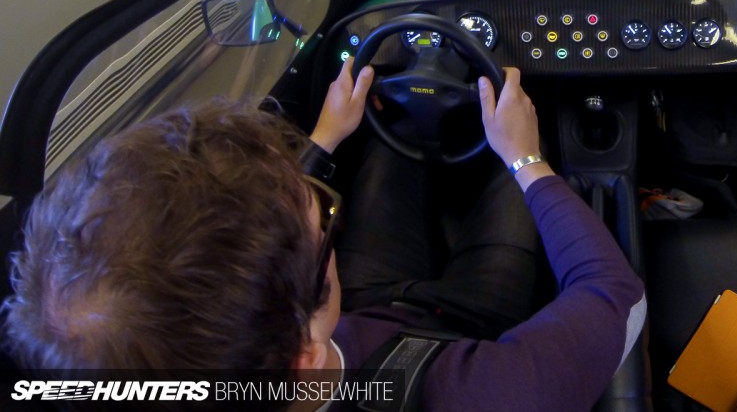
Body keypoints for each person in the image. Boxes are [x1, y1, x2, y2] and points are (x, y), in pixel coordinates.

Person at [3, 61, 647, 411]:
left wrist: (326, 137)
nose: (321, 203)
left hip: (363, 309)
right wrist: (525, 158)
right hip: (461, 328)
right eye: (322, 221)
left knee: (401, 142)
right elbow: (615, 292)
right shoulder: (482, 395)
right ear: (304, 359)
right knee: (509, 171)